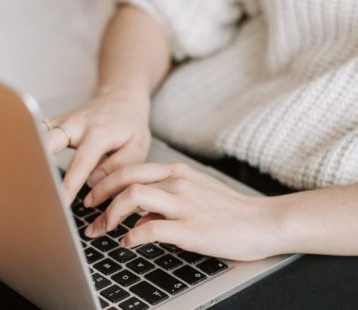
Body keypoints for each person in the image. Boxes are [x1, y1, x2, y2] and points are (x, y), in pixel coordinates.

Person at [46, 0, 358, 261]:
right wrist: (121, 94)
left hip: (323, 224)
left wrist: (264, 221)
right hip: (186, 146)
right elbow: (163, 9)